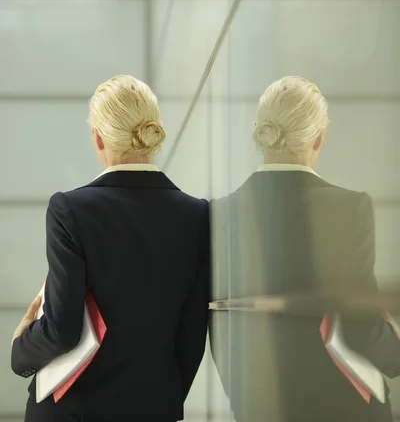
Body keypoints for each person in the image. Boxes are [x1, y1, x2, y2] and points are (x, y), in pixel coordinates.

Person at [11, 75, 209, 422]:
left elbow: (61, 330)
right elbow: (192, 334)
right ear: (152, 133)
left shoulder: (69, 210)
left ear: (98, 138)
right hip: (153, 410)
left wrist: (21, 347)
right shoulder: (196, 215)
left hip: (71, 412)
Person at [211, 75, 400, 422]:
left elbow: (218, 324)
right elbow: (362, 327)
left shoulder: (220, 212)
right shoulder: (350, 207)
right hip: (345, 407)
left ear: (259, 133)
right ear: (319, 137)